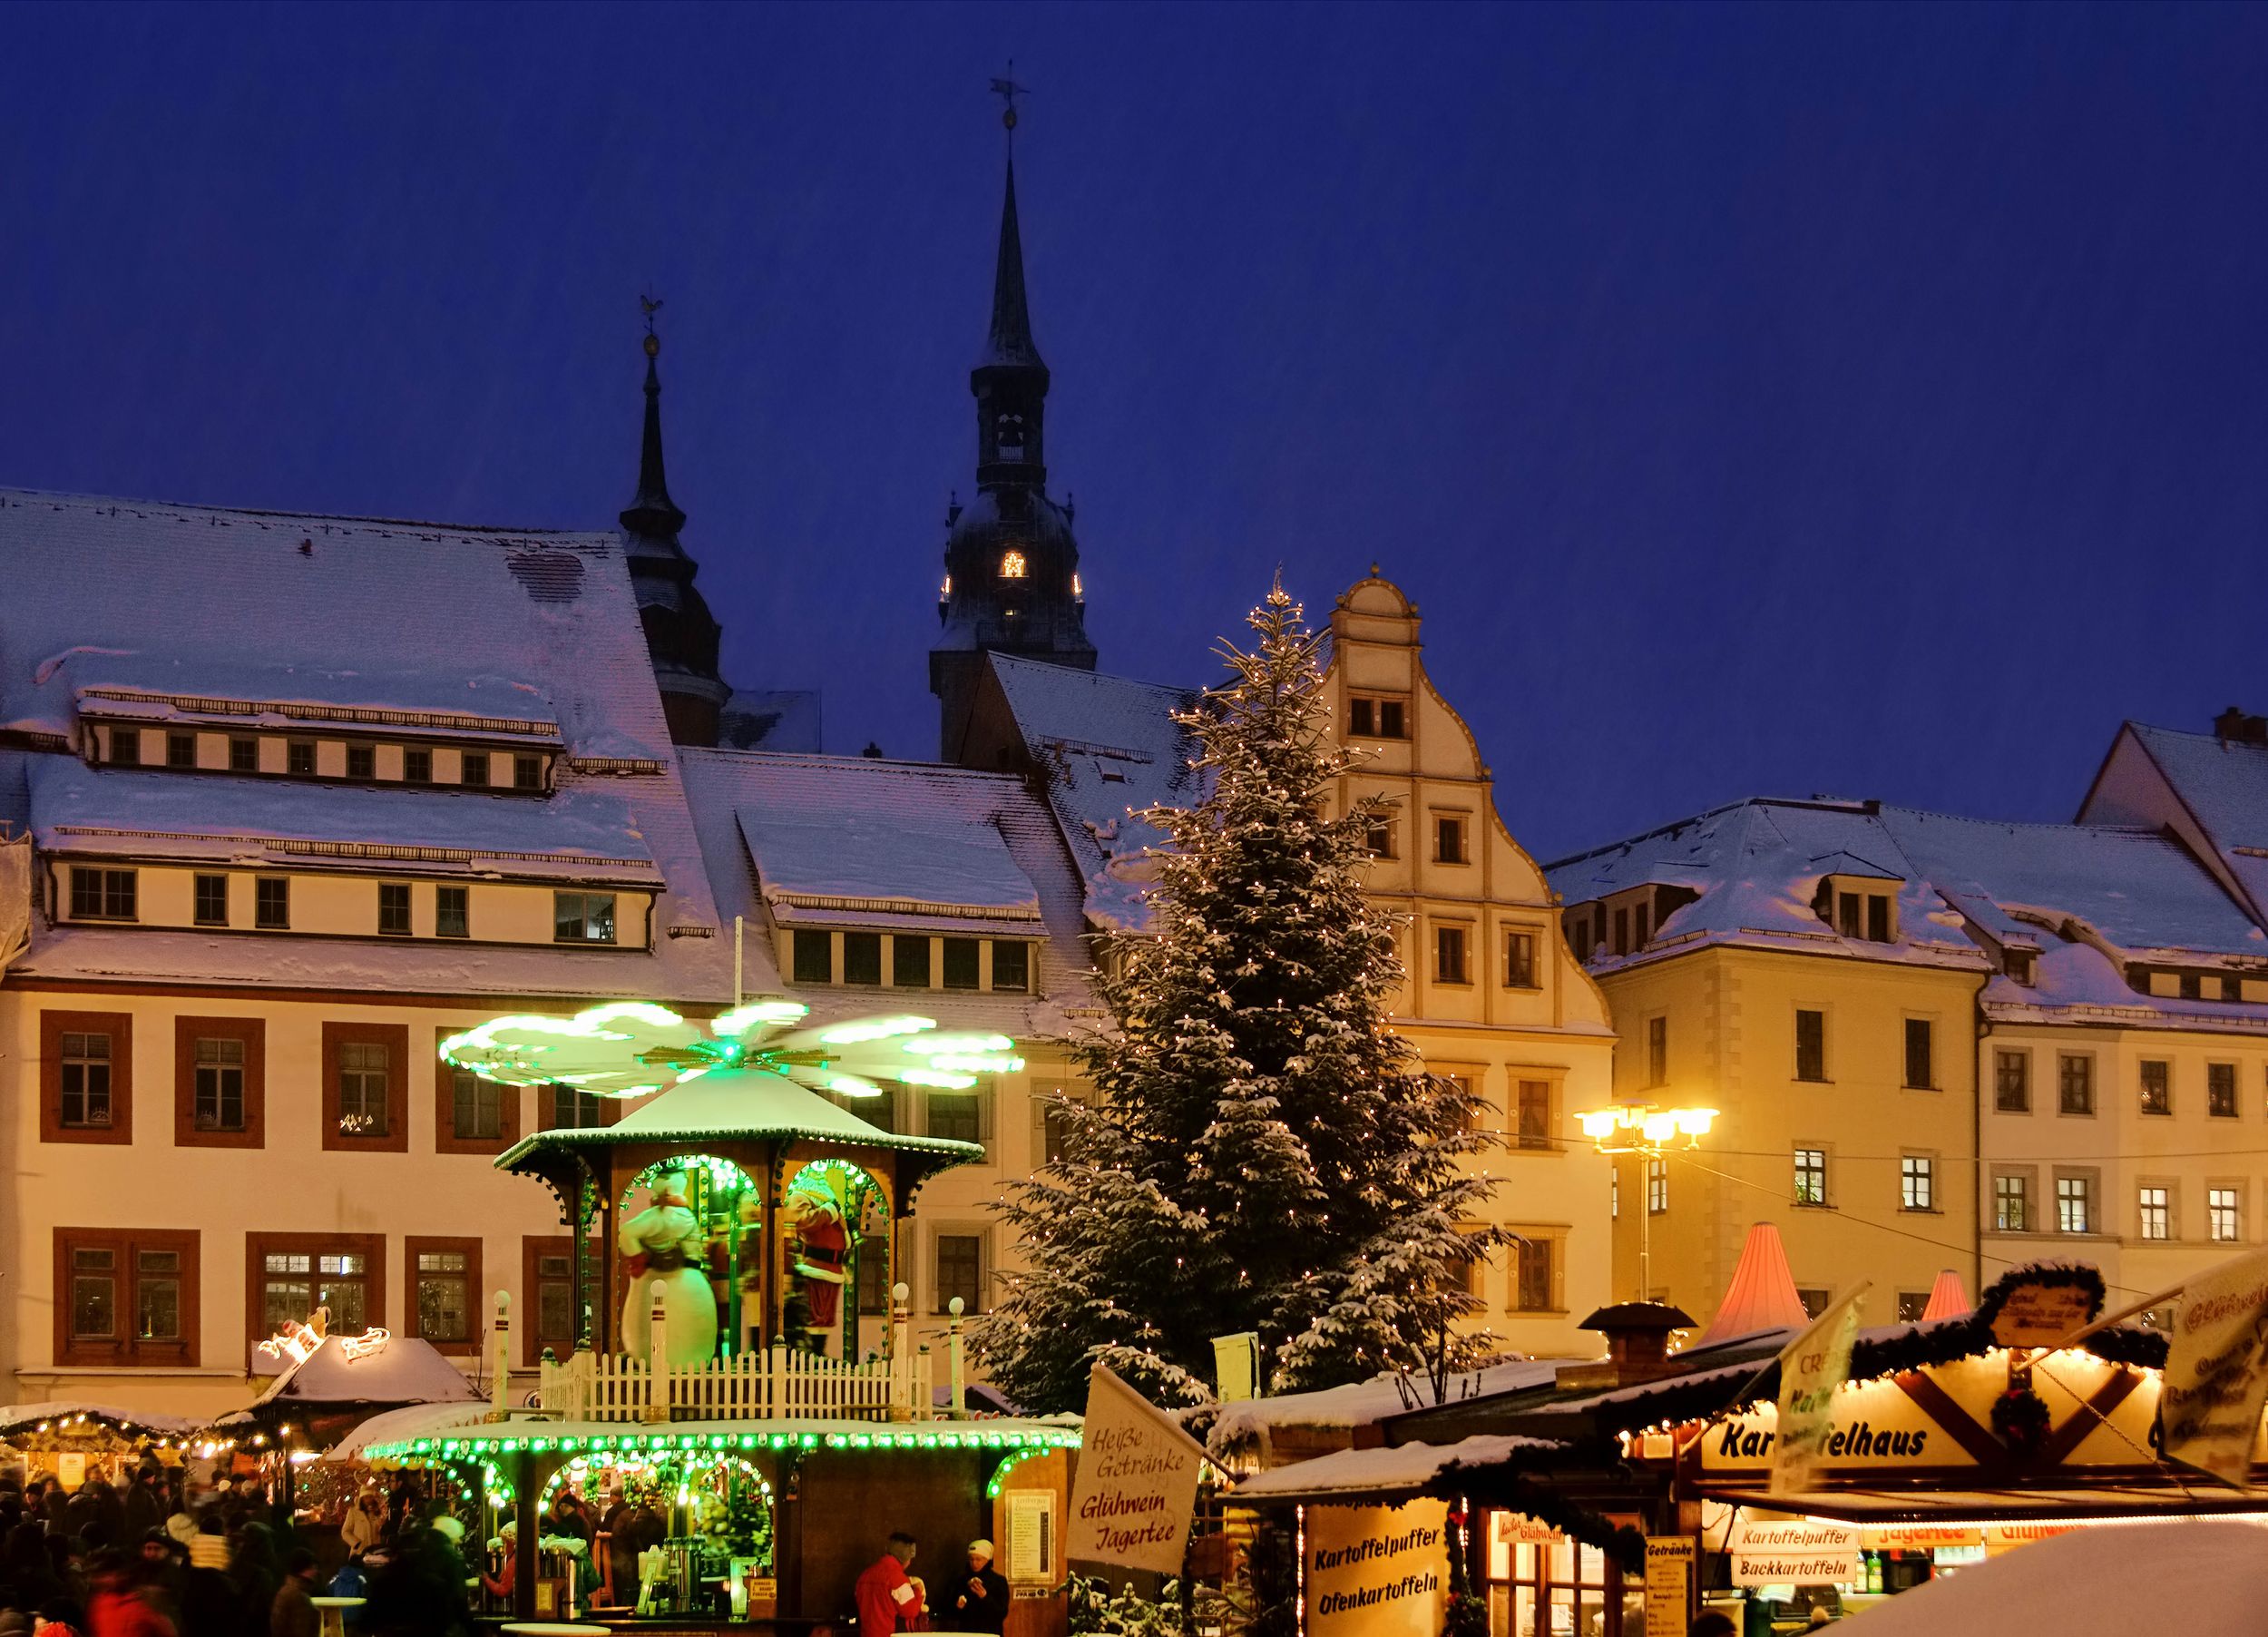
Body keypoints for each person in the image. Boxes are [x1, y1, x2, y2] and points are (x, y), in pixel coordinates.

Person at [616, 1167, 716, 1366]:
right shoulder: (670, 1216)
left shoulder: (671, 1214)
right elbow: (627, 1233)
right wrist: (639, 1258)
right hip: (676, 1285)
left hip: (679, 1283)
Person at [83, 1547, 174, 1637]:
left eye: (102, 1575)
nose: (94, 1580)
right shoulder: (100, 1602)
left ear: (121, 1573)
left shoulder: (145, 1602)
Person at [853, 1533, 922, 1637]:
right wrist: (917, 1591)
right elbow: (910, 1611)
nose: (910, 1563)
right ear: (905, 1557)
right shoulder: (897, 1579)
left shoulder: (865, 1575)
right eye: (911, 1558)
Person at [947, 1539, 1009, 1634]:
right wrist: (958, 1607)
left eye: (978, 1559)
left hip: (990, 1633)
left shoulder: (999, 1581)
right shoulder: (961, 1581)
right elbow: (951, 1614)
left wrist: (985, 1597)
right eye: (971, 1559)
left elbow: (1002, 1613)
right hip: (967, 1633)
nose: (974, 1563)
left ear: (987, 1559)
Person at [269, 1548, 318, 1637]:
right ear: (304, 1569)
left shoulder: (285, 1590)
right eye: (312, 1567)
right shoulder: (299, 1597)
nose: (315, 1571)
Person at [339, 1489, 384, 1560]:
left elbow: (380, 1530)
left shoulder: (376, 1512)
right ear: (362, 1498)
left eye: (370, 1497)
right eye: (366, 1497)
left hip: (374, 1553)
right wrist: (357, 1544)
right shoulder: (353, 1512)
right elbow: (345, 1532)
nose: (369, 1500)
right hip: (359, 1553)